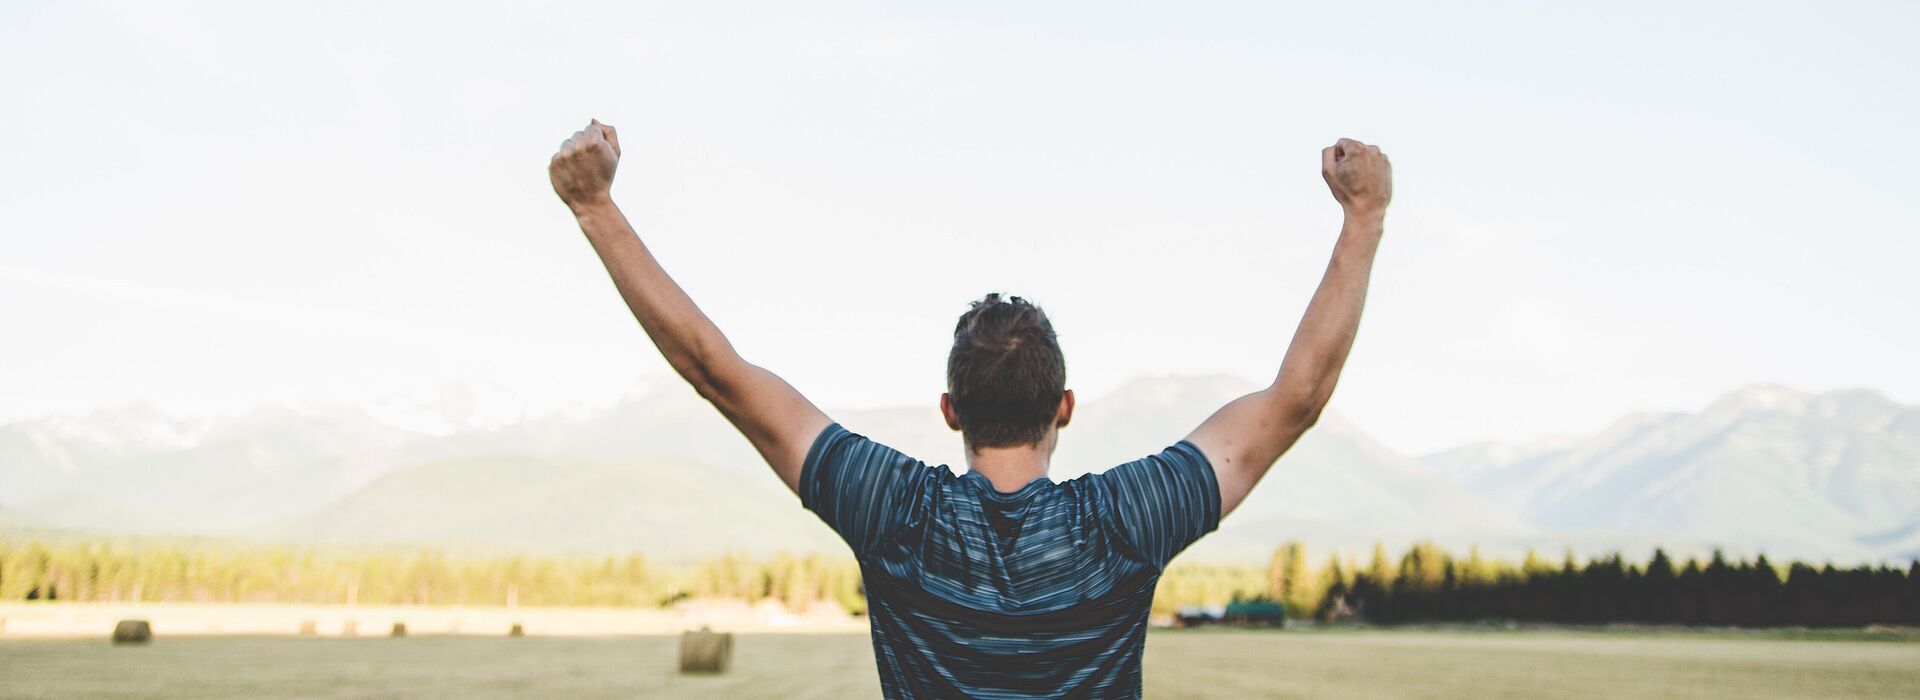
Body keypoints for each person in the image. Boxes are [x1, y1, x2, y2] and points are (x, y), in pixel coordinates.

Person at [549, 120, 1391, 699]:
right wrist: (1364, 216)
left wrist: (597, 208)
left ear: (950, 409)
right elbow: (1297, 398)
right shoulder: (1125, 522)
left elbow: (716, 371)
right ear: (1064, 405)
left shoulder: (896, 513)